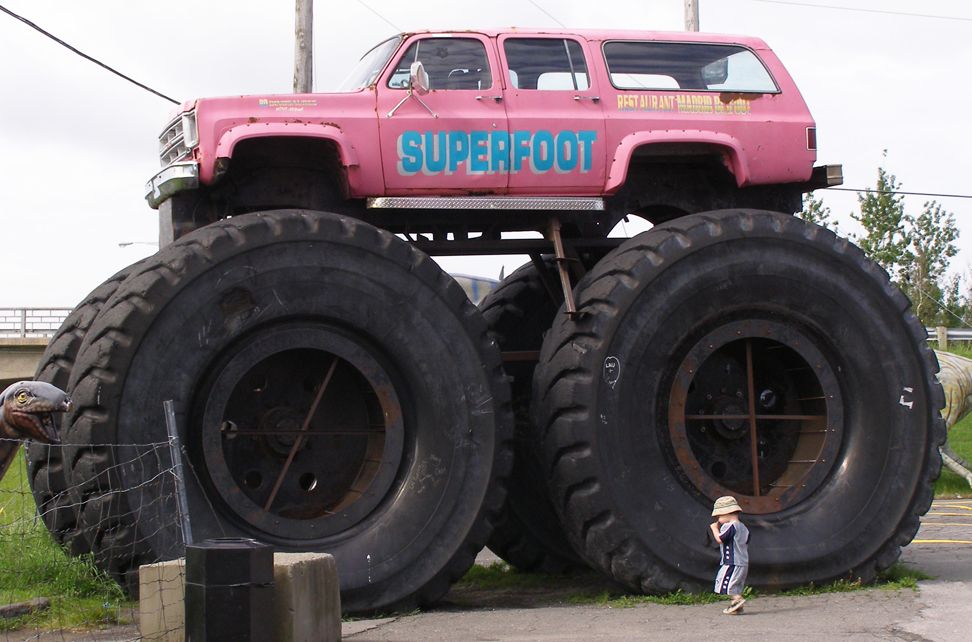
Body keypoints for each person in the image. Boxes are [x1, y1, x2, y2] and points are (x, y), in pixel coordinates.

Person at [709, 495, 750, 614]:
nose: (718, 519)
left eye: (719, 516)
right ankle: (736, 606)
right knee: (736, 583)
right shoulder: (743, 527)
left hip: (732, 561)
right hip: (743, 561)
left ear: (727, 513)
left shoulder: (730, 526)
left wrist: (714, 529)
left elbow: (720, 539)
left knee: (725, 582)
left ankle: (737, 600)